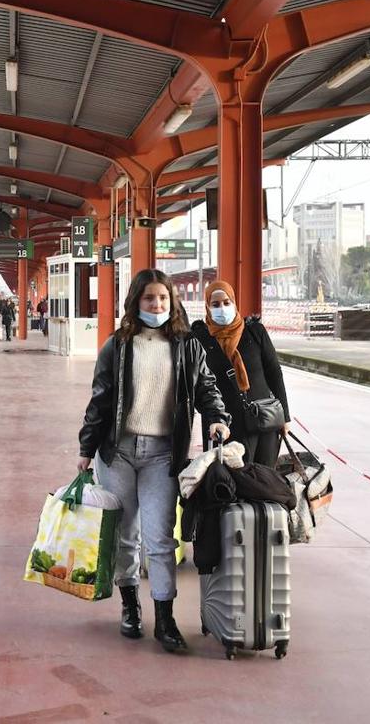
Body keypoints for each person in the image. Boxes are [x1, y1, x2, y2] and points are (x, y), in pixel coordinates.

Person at [77, 268, 230, 654]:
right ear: (136, 302)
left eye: (163, 298)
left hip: (164, 454)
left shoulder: (187, 345)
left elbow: (207, 388)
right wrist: (85, 448)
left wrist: (217, 419)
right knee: (125, 535)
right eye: (149, 298)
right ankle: (130, 607)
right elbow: (101, 400)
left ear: (172, 301)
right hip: (118, 453)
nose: (157, 304)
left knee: (161, 539)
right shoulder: (118, 345)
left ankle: (165, 619)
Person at [189, 280, 290, 468]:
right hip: (223, 426)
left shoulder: (255, 331)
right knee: (229, 482)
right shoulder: (200, 339)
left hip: (264, 420)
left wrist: (285, 416)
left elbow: (274, 373)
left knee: (265, 477)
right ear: (207, 307)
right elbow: (195, 384)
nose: (222, 308)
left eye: (227, 303)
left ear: (234, 303)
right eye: (215, 304)